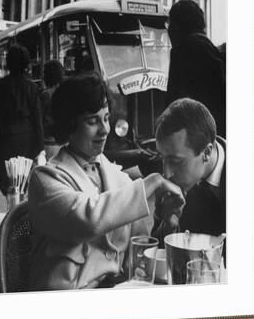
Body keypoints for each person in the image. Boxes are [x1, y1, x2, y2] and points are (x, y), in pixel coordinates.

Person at [28, 72, 185, 291]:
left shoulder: (117, 176)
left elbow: (138, 248)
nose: (105, 130)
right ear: (69, 124)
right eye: (92, 121)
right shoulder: (46, 179)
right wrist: (151, 184)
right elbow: (88, 219)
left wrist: (165, 224)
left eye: (106, 118)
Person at [151, 98, 226, 244]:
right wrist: (168, 226)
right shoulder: (175, 184)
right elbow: (155, 253)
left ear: (207, 153)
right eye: (162, 158)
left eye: (176, 161)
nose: (166, 174)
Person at [0, 44, 45, 195]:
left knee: (7, 182)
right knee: (23, 179)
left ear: (8, 62)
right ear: (26, 63)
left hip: (5, 139)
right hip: (28, 140)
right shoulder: (32, 88)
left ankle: (10, 209)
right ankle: (20, 212)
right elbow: (37, 118)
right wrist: (39, 146)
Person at [165, 0, 226, 137]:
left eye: (170, 23)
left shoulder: (182, 50)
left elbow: (174, 102)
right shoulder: (209, 49)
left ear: (176, 27)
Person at [40, 60, 65, 161]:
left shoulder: (45, 95)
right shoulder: (67, 92)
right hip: (64, 142)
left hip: (49, 143)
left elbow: (40, 119)